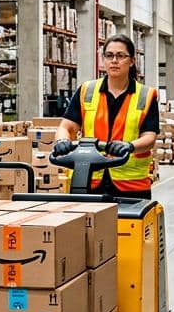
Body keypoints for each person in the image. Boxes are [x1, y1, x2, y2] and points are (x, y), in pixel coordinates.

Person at [53, 34, 160, 199]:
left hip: (131, 185)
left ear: (132, 61)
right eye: (109, 55)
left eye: (121, 56)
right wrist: (62, 140)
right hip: (89, 178)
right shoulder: (86, 91)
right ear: (103, 59)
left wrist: (129, 146)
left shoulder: (146, 96)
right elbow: (67, 126)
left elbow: (150, 137)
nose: (114, 60)